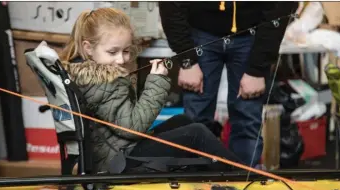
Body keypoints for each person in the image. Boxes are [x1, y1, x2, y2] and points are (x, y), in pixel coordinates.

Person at [59, 8, 243, 174]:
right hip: (117, 162)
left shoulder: (89, 75)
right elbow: (132, 129)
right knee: (196, 132)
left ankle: (225, 171)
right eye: (113, 52)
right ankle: (242, 174)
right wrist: (156, 82)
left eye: (126, 51)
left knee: (183, 121)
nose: (121, 60)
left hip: (117, 151)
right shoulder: (101, 81)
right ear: (88, 48)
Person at [159, 2, 299, 167]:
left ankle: (242, 185)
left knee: (247, 122)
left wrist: (257, 68)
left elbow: (280, 6)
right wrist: (187, 60)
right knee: (195, 123)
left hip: (252, 33)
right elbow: (170, 4)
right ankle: (196, 182)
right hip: (200, 31)